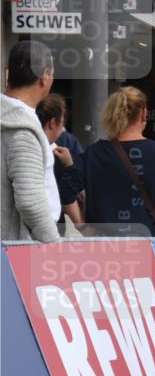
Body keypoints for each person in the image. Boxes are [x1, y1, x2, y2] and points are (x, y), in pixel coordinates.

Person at [80, 86, 155, 237]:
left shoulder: (94, 153)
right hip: (151, 238)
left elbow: (66, 190)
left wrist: (82, 227)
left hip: (105, 241)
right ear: (143, 113)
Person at [1, 40, 60, 243]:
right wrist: (53, 243)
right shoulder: (22, 129)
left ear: (7, 74)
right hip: (14, 250)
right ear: (44, 76)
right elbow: (30, 201)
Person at [35, 93, 84, 226]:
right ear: (53, 123)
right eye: (62, 123)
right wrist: (70, 165)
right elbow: (75, 190)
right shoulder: (66, 142)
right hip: (47, 225)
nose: (62, 129)